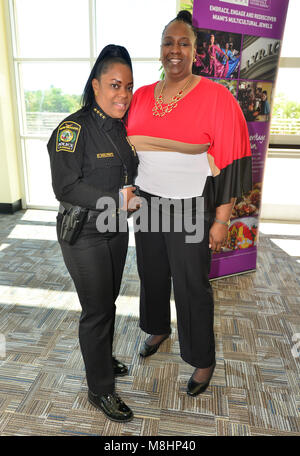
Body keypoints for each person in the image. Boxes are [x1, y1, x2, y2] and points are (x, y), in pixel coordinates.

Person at [126, 11, 252, 397]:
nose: (175, 50)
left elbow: (231, 159)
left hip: (190, 207)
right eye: (168, 43)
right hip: (147, 202)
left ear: (196, 51)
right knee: (151, 271)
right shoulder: (144, 95)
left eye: (183, 43)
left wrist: (221, 220)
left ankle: (202, 358)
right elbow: (126, 149)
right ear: (160, 50)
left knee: (192, 285)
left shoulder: (217, 97)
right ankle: (158, 327)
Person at [47, 44, 139, 422]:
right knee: (97, 310)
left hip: (115, 230)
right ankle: (100, 389)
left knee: (108, 302)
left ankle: (100, 358)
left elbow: (130, 172)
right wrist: (116, 199)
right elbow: (66, 187)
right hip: (83, 234)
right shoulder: (73, 128)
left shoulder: (120, 127)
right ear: (96, 84)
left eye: (129, 86)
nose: (123, 94)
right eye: (115, 85)